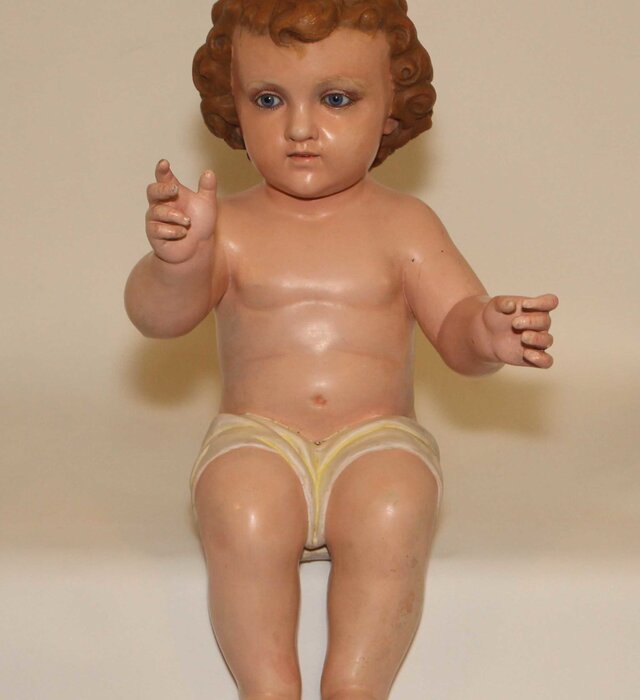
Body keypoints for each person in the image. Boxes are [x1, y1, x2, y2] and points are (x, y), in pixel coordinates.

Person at [125, 1, 558, 698]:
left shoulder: (405, 224)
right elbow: (156, 320)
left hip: (375, 436)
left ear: (391, 108)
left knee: (393, 509)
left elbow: (455, 328)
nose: (300, 128)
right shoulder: (227, 227)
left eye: (336, 99)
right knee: (241, 510)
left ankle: (356, 686)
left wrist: (489, 332)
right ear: (232, 102)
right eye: (269, 99)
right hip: (258, 436)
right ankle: (267, 686)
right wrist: (177, 262)